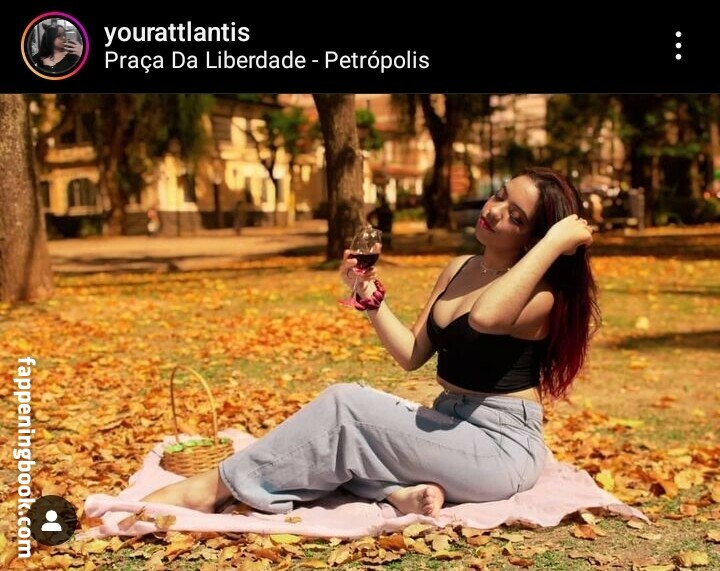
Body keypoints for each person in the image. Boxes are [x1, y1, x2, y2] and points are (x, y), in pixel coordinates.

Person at [141, 166, 599, 517]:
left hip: (500, 448)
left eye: (516, 217)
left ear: (534, 240)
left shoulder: (540, 296)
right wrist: (369, 297)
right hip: (449, 420)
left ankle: (210, 489)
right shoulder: (461, 267)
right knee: (338, 436)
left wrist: (554, 242)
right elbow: (412, 354)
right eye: (500, 195)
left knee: (346, 408)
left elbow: (486, 316)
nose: (495, 210)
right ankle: (396, 493)